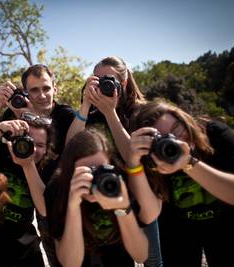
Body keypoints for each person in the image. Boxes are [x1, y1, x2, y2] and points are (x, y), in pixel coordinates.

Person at [66, 56, 163, 267]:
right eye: (97, 79)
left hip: (141, 193)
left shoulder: (140, 112)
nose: (103, 84)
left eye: (108, 79)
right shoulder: (91, 112)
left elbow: (132, 158)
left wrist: (110, 113)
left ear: (124, 82)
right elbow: (70, 148)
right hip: (109, 194)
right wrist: (85, 106)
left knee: (151, 259)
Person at [132, 100, 234, 267]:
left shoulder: (216, 134)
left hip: (226, 223)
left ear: (184, 120)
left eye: (176, 129)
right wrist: (134, 163)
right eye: (162, 139)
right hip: (178, 229)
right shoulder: (150, 161)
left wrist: (188, 163)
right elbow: (147, 216)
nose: (175, 140)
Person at [0, 64, 75, 266]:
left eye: (46, 88)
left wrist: (30, 116)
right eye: (34, 90)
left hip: (55, 192)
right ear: (26, 92)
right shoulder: (14, 112)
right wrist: (0, 106)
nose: (42, 95)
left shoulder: (65, 115)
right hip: (23, 198)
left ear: (55, 88)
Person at [45, 129, 150, 266]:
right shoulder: (57, 189)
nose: (94, 179)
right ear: (70, 172)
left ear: (110, 166)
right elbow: (70, 263)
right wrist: (73, 207)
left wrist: (123, 208)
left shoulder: (119, 181)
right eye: (86, 172)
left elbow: (140, 255)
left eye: (100, 170)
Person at [0, 114, 53, 267]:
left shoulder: (45, 169)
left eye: (40, 145)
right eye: (28, 141)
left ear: (48, 148)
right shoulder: (1, 156)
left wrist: (28, 165)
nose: (33, 149)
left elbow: (44, 208)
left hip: (25, 246)